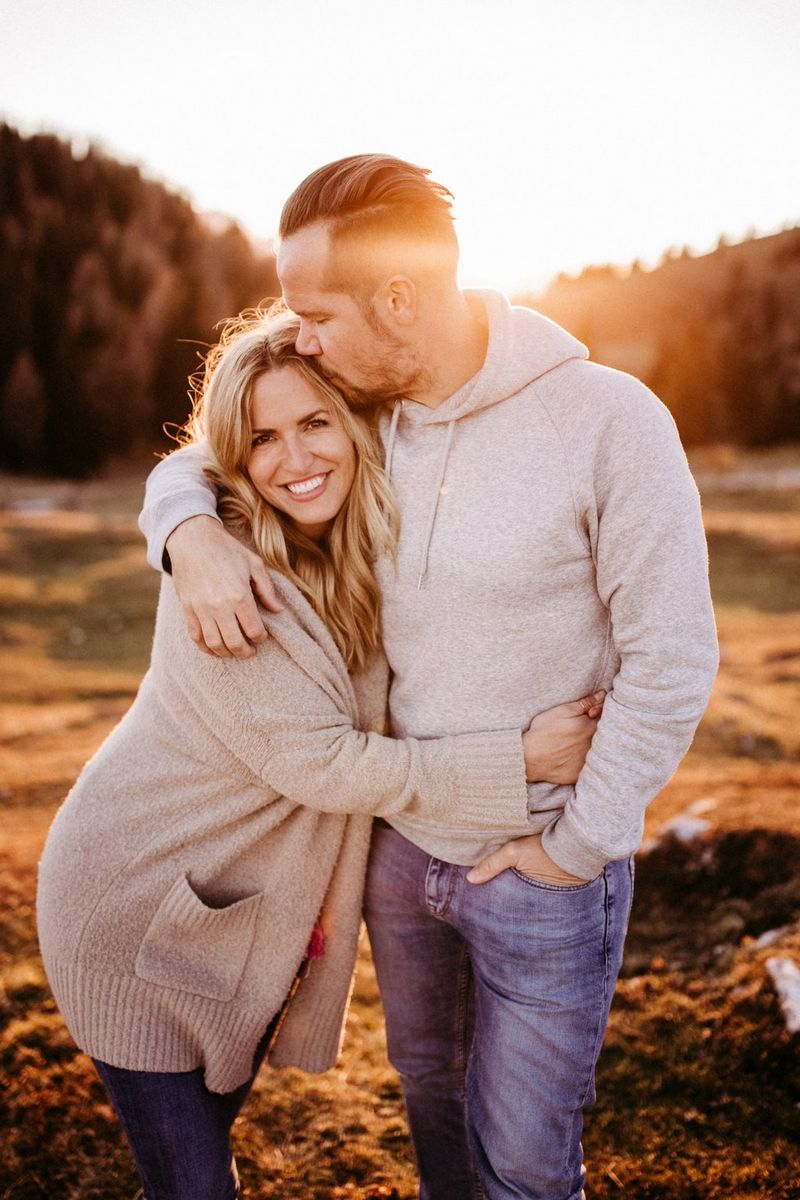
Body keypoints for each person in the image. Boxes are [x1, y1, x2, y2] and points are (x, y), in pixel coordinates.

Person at [138, 156, 720, 1200]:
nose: (299, 336)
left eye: (315, 312)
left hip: (543, 862)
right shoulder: (369, 411)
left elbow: (671, 656)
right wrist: (187, 532)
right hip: (403, 859)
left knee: (526, 1169)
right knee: (434, 1122)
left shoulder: (607, 420)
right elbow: (218, 446)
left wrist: (577, 845)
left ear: (398, 298)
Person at [36, 308, 605, 1200]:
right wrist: (520, 760)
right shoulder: (231, 592)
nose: (295, 459)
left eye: (315, 423)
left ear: (354, 424)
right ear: (237, 456)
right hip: (129, 904)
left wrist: (180, 519)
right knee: (192, 1187)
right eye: (262, 439)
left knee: (192, 1168)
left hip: (225, 916)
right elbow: (328, 764)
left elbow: (186, 467)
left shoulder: (347, 539)